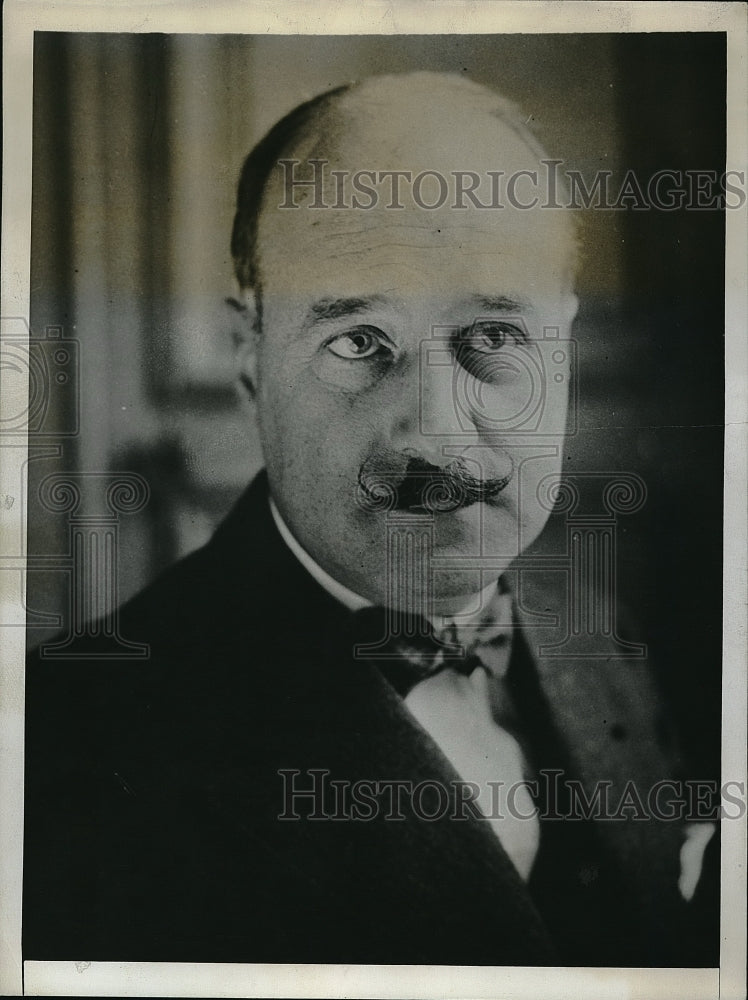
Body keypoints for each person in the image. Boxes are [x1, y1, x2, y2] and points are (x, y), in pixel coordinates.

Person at [23, 71, 718, 967]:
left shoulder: (605, 640)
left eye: (497, 337)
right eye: (359, 342)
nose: (435, 426)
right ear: (250, 361)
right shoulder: (67, 747)